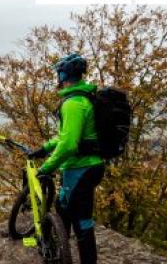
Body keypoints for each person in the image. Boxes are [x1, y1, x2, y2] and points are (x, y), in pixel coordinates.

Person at [28, 53, 105, 264]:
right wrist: (44, 148)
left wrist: (46, 167)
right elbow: (66, 136)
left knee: (82, 222)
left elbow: (69, 145)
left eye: (58, 74)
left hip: (80, 168)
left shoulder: (73, 103)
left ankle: (69, 257)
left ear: (63, 74)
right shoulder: (83, 98)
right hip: (91, 165)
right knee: (64, 211)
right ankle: (61, 253)